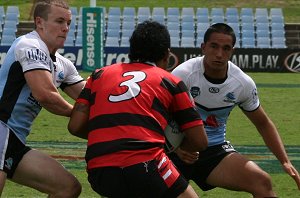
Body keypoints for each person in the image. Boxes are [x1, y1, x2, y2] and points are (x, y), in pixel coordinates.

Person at [68, 20, 208, 198]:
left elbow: (75, 126)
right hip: (147, 165)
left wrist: (111, 134)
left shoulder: (98, 75)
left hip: (99, 170)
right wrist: (174, 147)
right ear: (166, 55)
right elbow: (200, 142)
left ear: (131, 50)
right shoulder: (171, 81)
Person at [169, 23, 300, 197]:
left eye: (226, 48)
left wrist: (285, 161)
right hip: (175, 150)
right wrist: (175, 148)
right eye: (214, 46)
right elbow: (159, 115)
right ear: (203, 47)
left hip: (213, 151)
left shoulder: (242, 83)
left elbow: (263, 123)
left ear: (232, 51)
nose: (219, 54)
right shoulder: (183, 74)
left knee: (262, 182)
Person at [0, 0, 85, 197]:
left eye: (68, 23)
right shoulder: (29, 45)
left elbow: (89, 98)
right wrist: (79, 114)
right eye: (59, 21)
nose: (65, 28)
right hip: (2, 129)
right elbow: (46, 95)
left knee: (67, 188)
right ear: (40, 23)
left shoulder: (63, 65)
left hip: (15, 141)